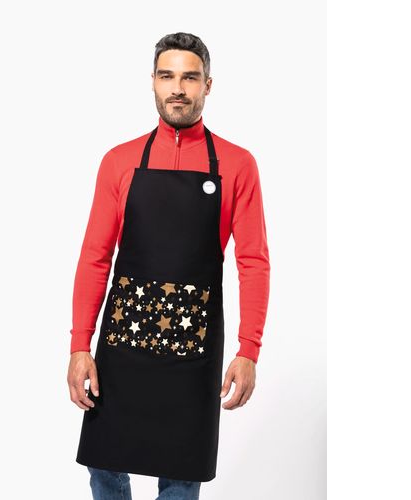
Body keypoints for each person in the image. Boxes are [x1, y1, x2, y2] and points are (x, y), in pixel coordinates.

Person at [67, 32, 271, 499]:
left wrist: (249, 350)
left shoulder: (238, 164)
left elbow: (254, 262)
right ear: (153, 82)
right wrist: (80, 344)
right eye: (167, 76)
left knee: (181, 476)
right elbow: (95, 257)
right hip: (122, 344)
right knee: (103, 463)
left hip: (194, 349)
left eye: (190, 78)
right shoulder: (119, 161)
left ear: (207, 85)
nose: (178, 88)